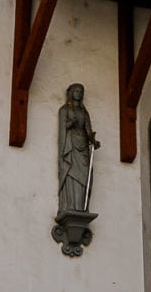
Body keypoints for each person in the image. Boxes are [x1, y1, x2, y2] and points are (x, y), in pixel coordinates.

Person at [58, 84, 100, 212]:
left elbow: (88, 129)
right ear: (71, 92)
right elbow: (62, 129)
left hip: (83, 146)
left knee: (84, 175)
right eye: (76, 91)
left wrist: (93, 141)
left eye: (81, 91)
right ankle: (70, 206)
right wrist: (71, 123)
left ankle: (81, 207)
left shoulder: (84, 112)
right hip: (70, 146)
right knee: (71, 172)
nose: (79, 93)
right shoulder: (64, 110)